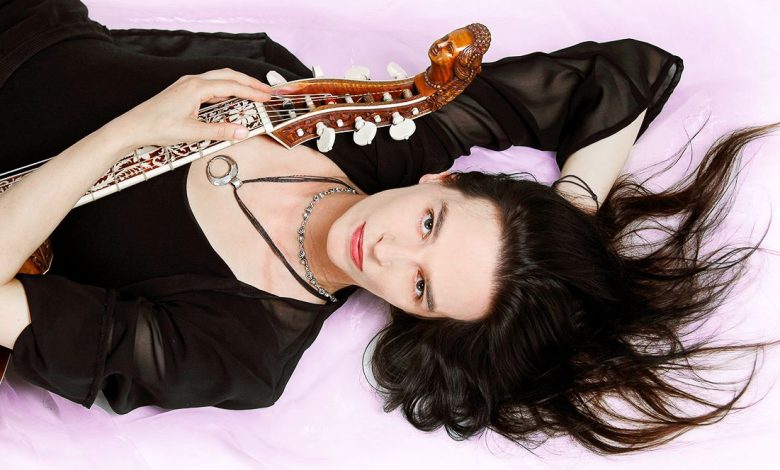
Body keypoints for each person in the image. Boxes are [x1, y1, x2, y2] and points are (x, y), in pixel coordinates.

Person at [1, 0, 777, 455]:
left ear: (419, 317)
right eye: (431, 224)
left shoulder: (238, 348)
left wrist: (130, 133)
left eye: (422, 286)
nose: (388, 249)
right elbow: (624, 72)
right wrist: (567, 216)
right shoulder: (389, 134)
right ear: (443, 181)